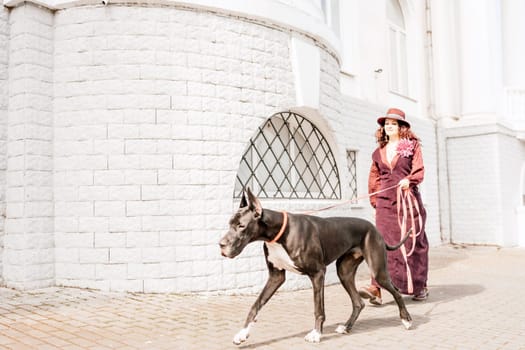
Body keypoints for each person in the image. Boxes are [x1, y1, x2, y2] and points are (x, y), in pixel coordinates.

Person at [359, 108, 429, 305]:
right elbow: (374, 177)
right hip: (385, 204)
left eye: (393, 124)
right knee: (380, 245)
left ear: (401, 127)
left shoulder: (412, 146)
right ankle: (377, 288)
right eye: (386, 124)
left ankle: (419, 285)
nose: (389, 127)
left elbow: (419, 169)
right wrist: (376, 200)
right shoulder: (378, 152)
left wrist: (409, 179)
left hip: (408, 201)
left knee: (413, 243)